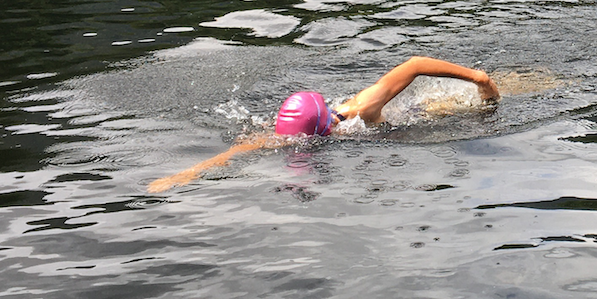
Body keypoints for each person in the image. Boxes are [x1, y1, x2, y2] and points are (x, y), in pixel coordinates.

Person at [147, 57, 500, 193]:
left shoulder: (359, 111)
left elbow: (415, 64)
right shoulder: (291, 133)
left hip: (435, 110)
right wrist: (185, 175)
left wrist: (479, 78)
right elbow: (239, 149)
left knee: (497, 97)